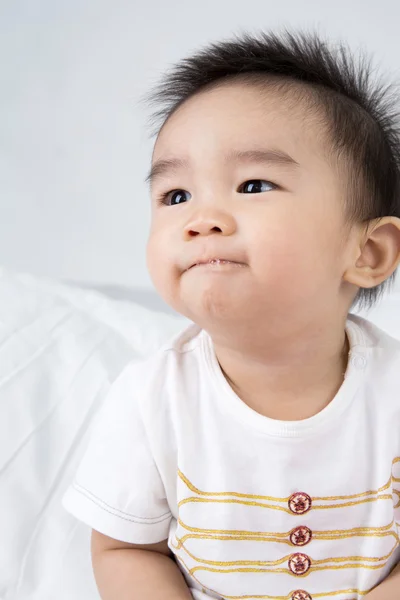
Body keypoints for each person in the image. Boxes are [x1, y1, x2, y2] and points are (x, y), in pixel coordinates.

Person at [62, 28, 400, 600]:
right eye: (176, 196)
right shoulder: (152, 399)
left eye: (252, 184)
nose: (201, 219)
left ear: (366, 254)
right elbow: (123, 548)